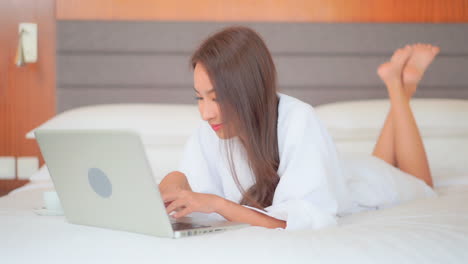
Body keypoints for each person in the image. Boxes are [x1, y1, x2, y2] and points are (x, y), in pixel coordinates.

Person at [159, 26, 438, 230]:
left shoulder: (298, 118)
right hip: (340, 173)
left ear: (248, 90)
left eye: (216, 97)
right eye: (199, 97)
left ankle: (399, 89)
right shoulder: (211, 128)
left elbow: (296, 221)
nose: (205, 113)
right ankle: (400, 85)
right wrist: (174, 180)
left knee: (422, 183)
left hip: (363, 186)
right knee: (378, 161)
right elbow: (195, 194)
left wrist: (218, 204)